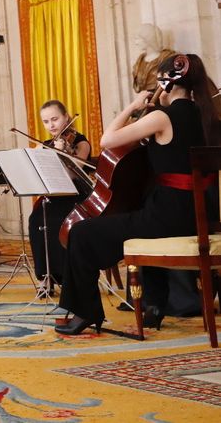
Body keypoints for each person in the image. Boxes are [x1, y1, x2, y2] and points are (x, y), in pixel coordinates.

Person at [56, 53, 221, 335]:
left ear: (166, 85)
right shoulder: (210, 116)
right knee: (142, 223)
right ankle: (154, 305)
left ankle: (86, 311)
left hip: (169, 217)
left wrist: (132, 107)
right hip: (204, 215)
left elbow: (107, 141)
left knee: (82, 232)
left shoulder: (161, 117)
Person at [27, 100, 91, 290]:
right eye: (46, 122)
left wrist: (64, 153)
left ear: (66, 117)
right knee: (36, 219)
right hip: (53, 195)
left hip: (75, 196)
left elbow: (74, 173)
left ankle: (65, 275)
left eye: (55, 119)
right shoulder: (45, 145)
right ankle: (45, 277)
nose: (51, 125)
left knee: (56, 221)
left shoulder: (80, 142)